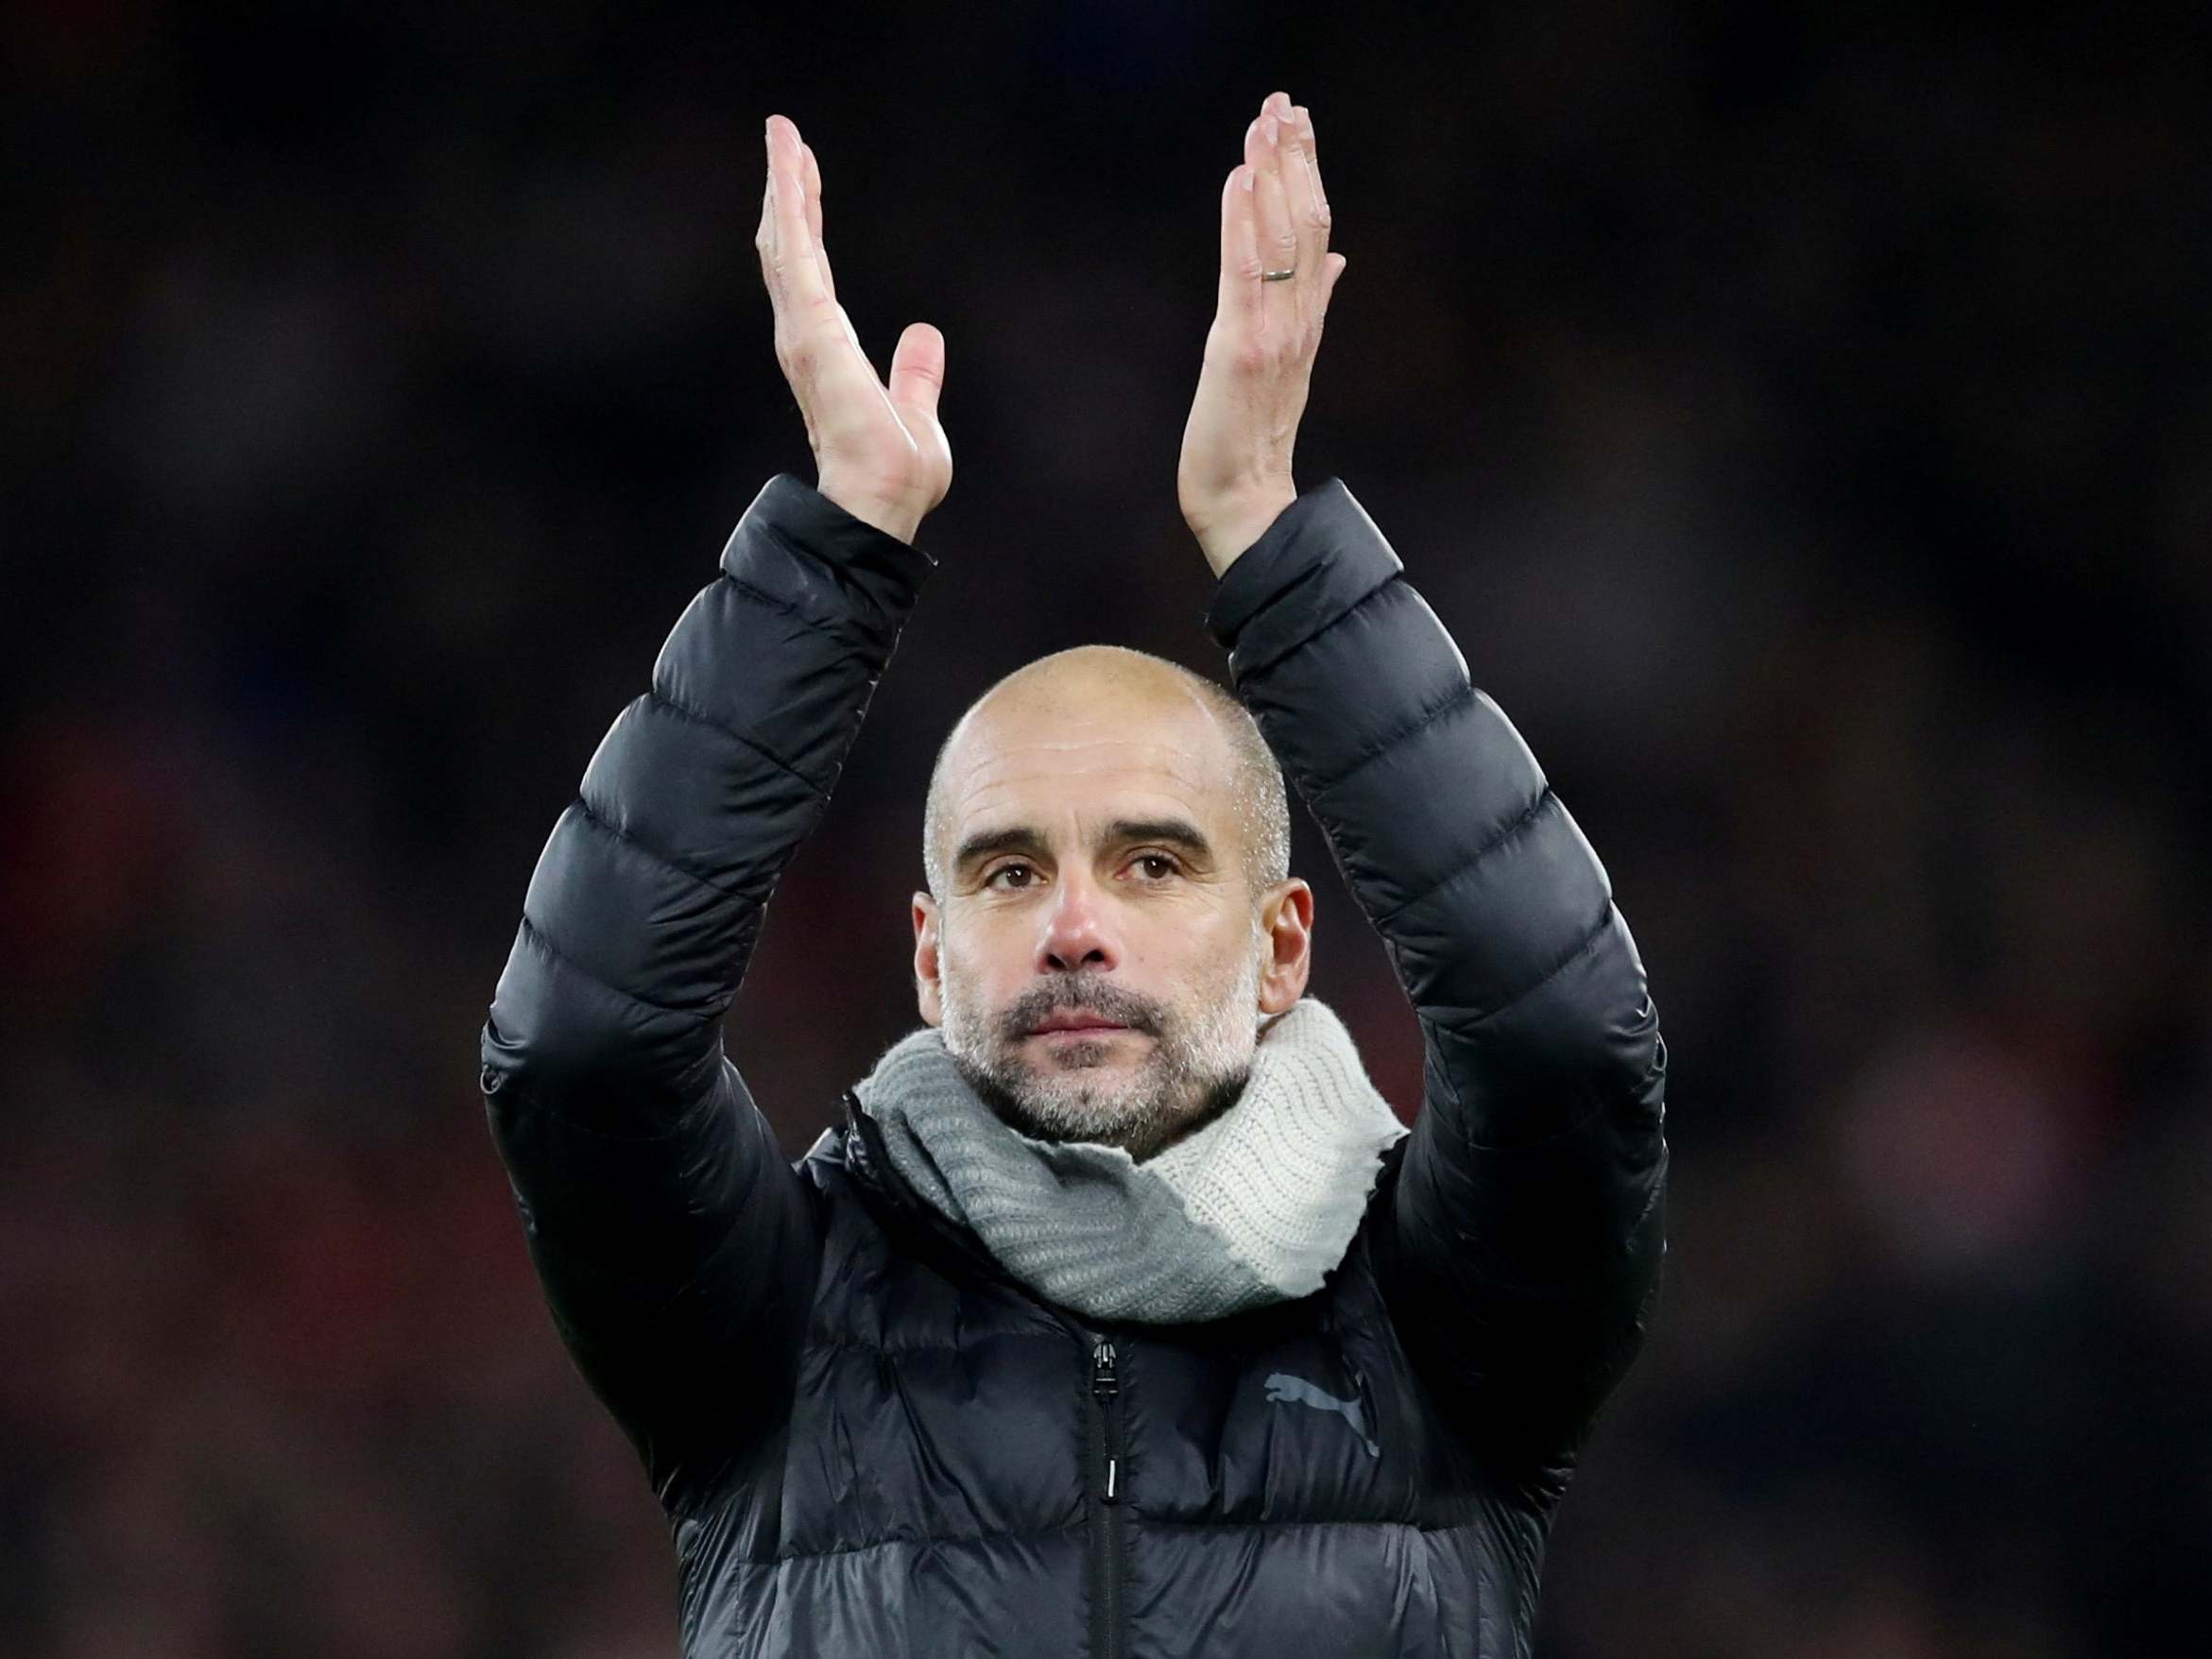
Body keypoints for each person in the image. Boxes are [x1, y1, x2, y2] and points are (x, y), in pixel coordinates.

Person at [478, 90, 1668, 1658]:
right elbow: (581, 1047)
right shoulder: (777, 1319)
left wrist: (1268, 536)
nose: (1073, 928)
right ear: (928, 955)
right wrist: (833, 551)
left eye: (1155, 862)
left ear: (1281, 945)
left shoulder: (1437, 1311)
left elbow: (1564, 1043)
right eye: (1006, 871)